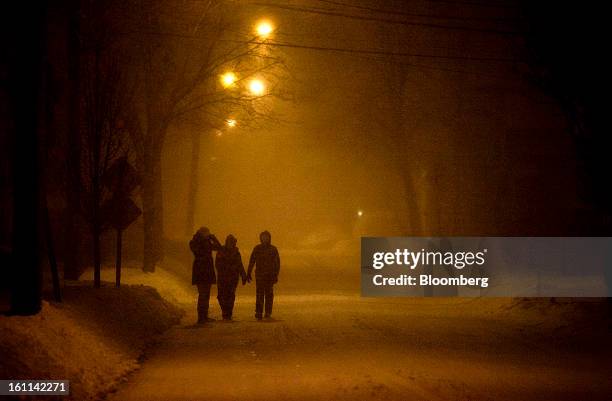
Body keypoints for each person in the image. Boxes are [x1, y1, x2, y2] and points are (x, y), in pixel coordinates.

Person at [190, 227, 222, 324]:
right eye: (206, 233)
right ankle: (201, 318)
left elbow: (219, 247)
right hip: (200, 271)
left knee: (206, 295)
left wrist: (213, 238)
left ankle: (204, 316)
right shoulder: (195, 242)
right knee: (203, 294)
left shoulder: (207, 242)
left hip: (207, 270)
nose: (208, 234)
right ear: (201, 233)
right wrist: (208, 240)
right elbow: (198, 252)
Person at [247, 230, 280, 320]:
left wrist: (275, 275)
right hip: (260, 275)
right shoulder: (257, 248)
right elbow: (252, 260)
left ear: (269, 238)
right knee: (259, 294)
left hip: (270, 276)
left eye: (266, 237)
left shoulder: (273, 249)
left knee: (269, 294)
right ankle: (259, 312)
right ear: (260, 238)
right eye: (263, 237)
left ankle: (268, 312)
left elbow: (277, 264)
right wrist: (248, 272)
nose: (265, 238)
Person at [215, 234, 247, 320]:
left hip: (233, 277)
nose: (230, 244)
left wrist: (243, 275)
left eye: (232, 242)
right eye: (229, 242)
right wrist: (224, 270)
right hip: (222, 277)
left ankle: (228, 312)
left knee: (230, 295)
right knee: (221, 295)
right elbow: (217, 264)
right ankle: (225, 310)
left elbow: (240, 265)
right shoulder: (221, 251)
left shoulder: (236, 253)